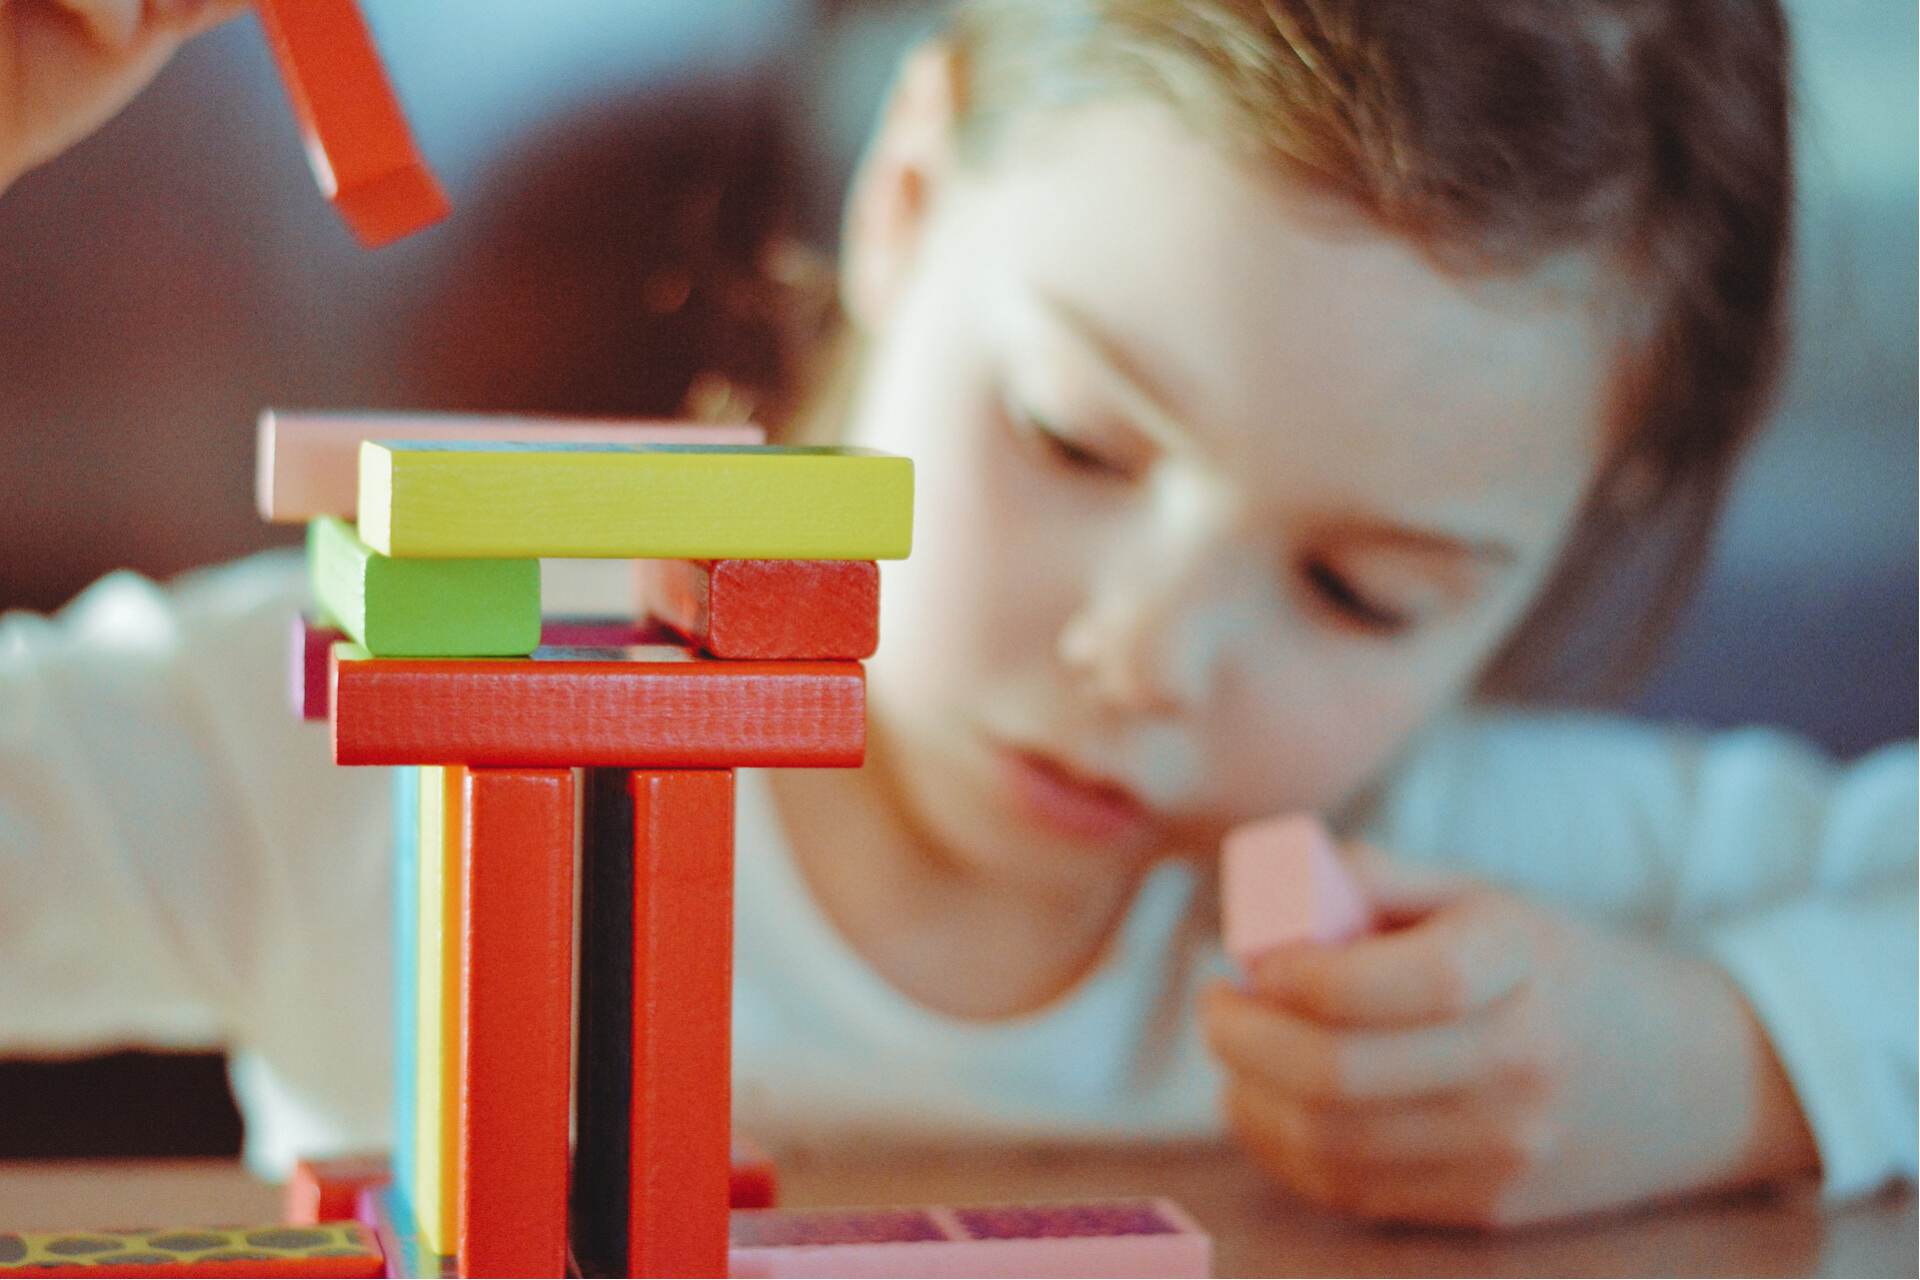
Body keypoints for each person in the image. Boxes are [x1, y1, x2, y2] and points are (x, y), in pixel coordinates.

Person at [1, 0, 1912, 1231]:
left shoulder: (1471, 879)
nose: (1146, 658)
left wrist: (1730, 1055)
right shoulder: (367, 736)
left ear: (1581, 520)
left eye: (1361, 589)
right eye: (1074, 441)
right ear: (907, 193)